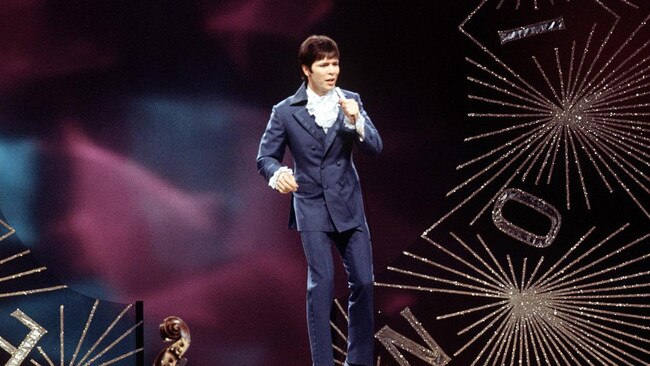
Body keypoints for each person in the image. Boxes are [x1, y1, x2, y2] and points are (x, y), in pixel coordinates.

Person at [256, 35, 382, 366]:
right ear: (306, 69)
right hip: (311, 206)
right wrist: (277, 172)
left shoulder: (351, 100)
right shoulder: (285, 111)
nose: (332, 71)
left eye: (335, 63)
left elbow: (375, 148)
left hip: (349, 205)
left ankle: (359, 362)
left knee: (365, 283)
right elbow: (265, 157)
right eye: (324, 65)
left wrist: (357, 120)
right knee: (322, 284)